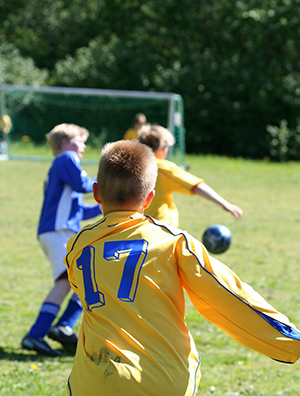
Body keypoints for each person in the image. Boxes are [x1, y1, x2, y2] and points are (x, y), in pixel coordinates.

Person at [64, 140, 300, 396]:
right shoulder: (174, 242)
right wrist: (291, 343)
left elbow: (80, 287)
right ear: (149, 198)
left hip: (93, 384)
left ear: (96, 193)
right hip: (161, 380)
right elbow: (230, 295)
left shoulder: (77, 244)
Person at [21, 123, 102, 357]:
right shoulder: (66, 159)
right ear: (65, 143)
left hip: (59, 231)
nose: (83, 146)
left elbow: (80, 211)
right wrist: (109, 180)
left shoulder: (66, 165)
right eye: (79, 140)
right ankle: (37, 334)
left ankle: (62, 327)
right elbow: (83, 185)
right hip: (58, 231)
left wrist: (107, 205)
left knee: (84, 278)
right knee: (68, 280)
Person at [138, 124, 243, 227]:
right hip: (160, 229)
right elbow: (196, 186)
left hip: (135, 229)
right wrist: (225, 205)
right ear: (162, 150)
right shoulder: (162, 168)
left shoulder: (132, 165)